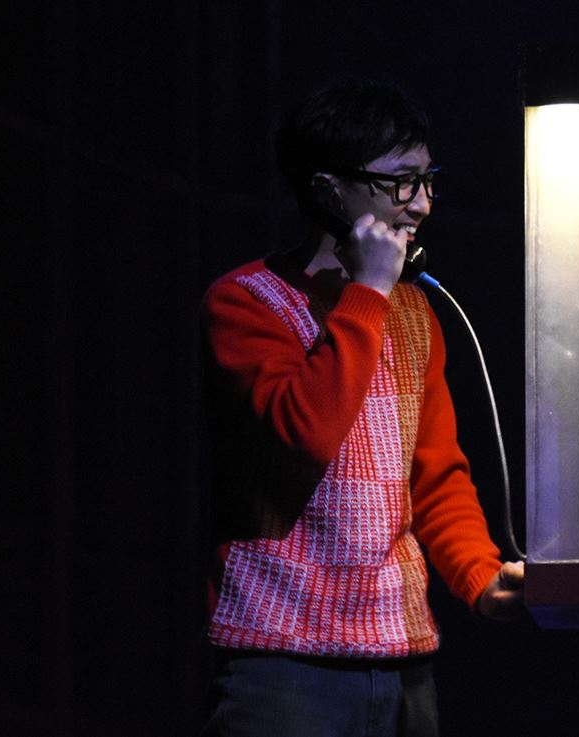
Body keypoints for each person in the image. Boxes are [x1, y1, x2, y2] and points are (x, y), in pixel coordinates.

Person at [199, 76, 524, 737]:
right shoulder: (246, 303)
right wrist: (368, 291)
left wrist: (480, 576)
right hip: (284, 658)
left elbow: (435, 476)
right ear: (328, 190)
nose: (422, 203)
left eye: (428, 180)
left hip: (402, 657)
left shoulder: (414, 313)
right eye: (401, 182)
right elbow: (305, 432)